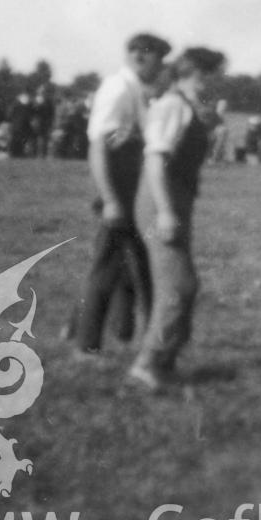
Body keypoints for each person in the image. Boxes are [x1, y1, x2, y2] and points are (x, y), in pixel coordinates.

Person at [128, 46, 227, 392]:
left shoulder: (187, 107)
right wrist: (167, 212)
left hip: (175, 200)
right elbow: (155, 162)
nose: (220, 82)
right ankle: (148, 363)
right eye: (217, 74)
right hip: (160, 201)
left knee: (183, 284)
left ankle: (164, 362)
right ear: (199, 73)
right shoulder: (172, 106)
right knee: (179, 286)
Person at [72, 33, 169, 355]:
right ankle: (85, 343)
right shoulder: (118, 88)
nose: (161, 67)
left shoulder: (135, 90)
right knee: (107, 266)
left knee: (127, 265)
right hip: (119, 194)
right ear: (142, 56)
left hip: (130, 192)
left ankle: (119, 328)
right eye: (159, 59)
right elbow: (98, 147)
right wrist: (110, 199)